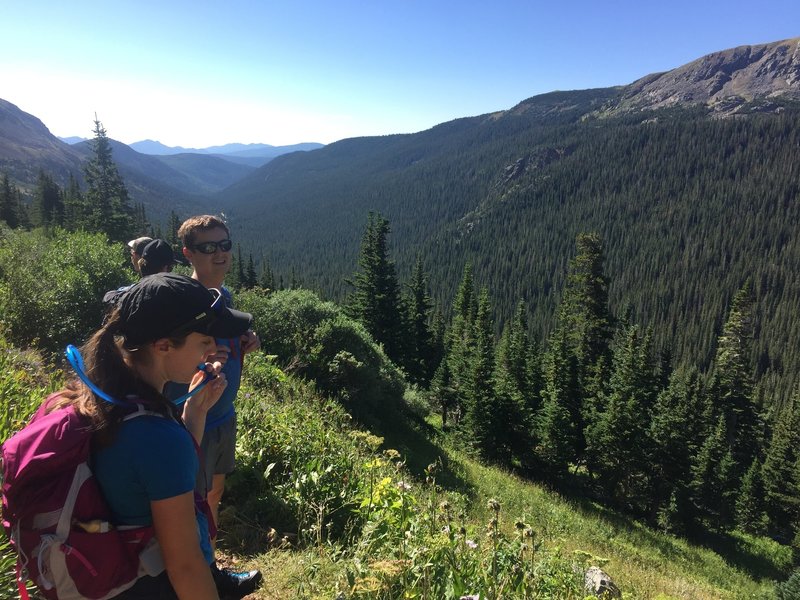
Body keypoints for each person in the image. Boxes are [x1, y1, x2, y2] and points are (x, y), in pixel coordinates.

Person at [54, 272, 254, 599]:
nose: (216, 350)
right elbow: (185, 566)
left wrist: (195, 411)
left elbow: (150, 475)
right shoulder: (157, 436)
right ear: (163, 346)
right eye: (204, 341)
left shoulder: (111, 398)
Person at [166, 215, 262, 596]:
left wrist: (246, 340)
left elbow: (228, 343)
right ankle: (201, 576)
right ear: (188, 253)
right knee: (192, 500)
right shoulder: (180, 303)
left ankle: (210, 563)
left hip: (223, 413)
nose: (220, 254)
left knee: (213, 494)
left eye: (225, 245)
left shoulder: (225, 297)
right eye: (208, 247)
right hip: (196, 417)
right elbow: (170, 366)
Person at [103, 238, 177, 308]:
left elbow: (109, 297)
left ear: (140, 260)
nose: (131, 257)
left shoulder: (131, 293)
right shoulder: (178, 289)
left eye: (132, 253)